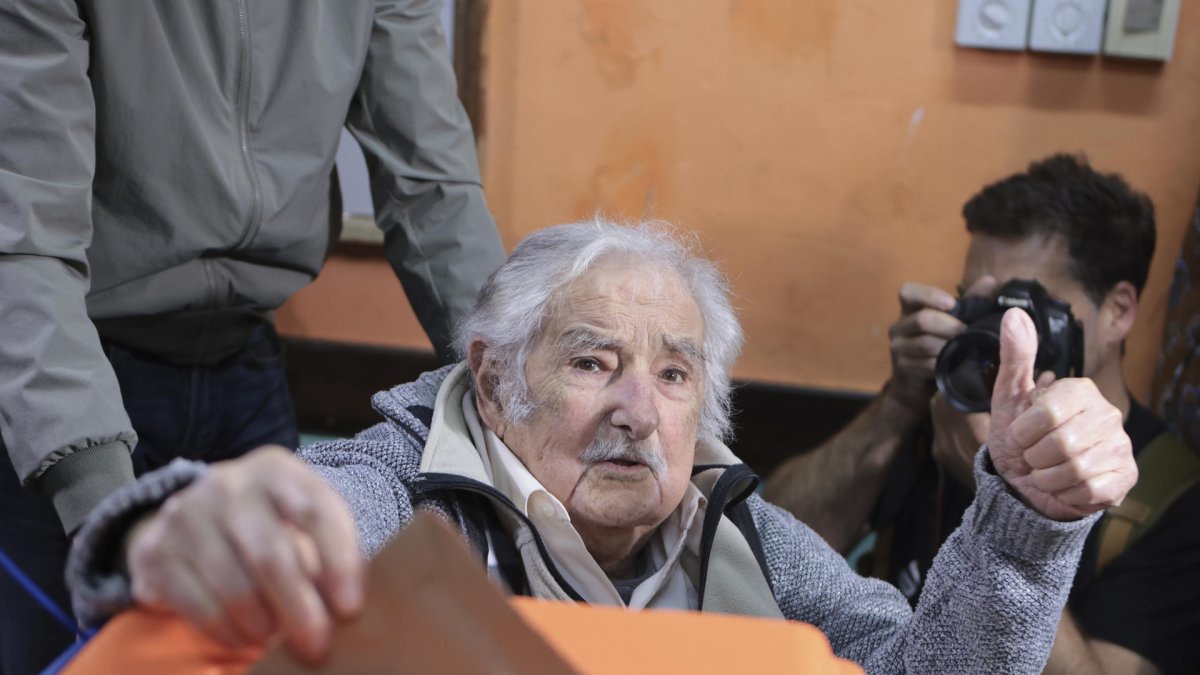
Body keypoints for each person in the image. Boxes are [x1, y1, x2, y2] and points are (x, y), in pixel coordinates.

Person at [67, 219, 1136, 672]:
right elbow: (305, 525)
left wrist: (1026, 522)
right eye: (590, 362)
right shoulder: (397, 485)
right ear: (490, 380)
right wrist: (200, 526)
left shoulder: (748, 538)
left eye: (674, 374)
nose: (639, 409)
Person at [0, 1, 507, 671]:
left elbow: (433, 186)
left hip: (250, 368)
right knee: (79, 657)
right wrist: (104, 506)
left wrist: (516, 386)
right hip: (71, 382)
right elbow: (25, 233)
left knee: (279, 650)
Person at [765, 154, 1200, 674]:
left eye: (1022, 304)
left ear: (1117, 311)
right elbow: (764, 555)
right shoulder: (942, 406)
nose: (997, 328)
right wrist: (897, 405)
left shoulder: (1170, 500)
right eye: (976, 302)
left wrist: (1004, 498)